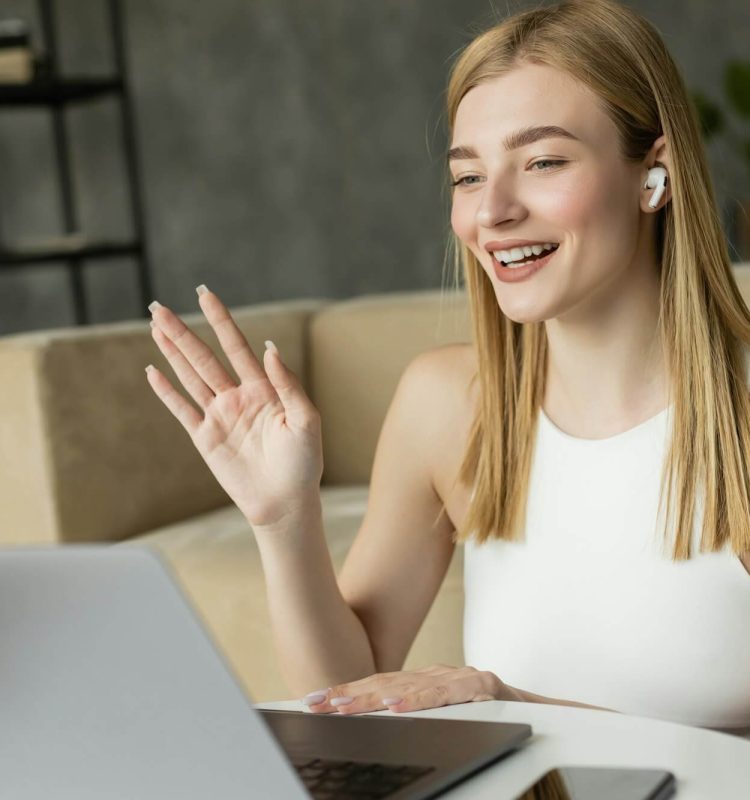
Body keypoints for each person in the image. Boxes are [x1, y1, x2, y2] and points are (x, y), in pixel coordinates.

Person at [145, 0, 750, 731]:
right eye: (467, 177)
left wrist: (519, 706)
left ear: (654, 174)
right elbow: (351, 703)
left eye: (543, 162)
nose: (491, 211)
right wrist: (284, 520)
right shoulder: (447, 404)